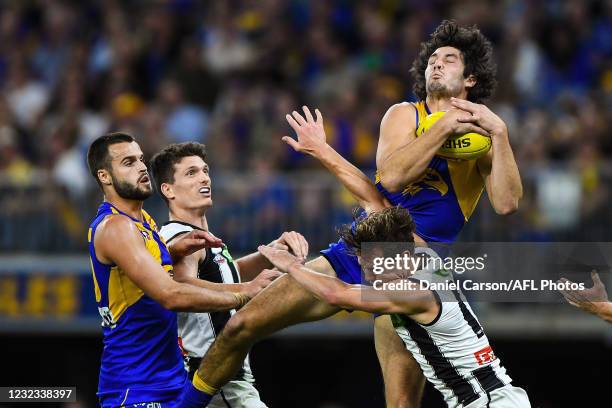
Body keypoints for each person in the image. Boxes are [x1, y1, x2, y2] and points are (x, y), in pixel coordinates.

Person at [185, 20, 522, 408]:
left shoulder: (484, 136)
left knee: (400, 404)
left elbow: (507, 203)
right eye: (432, 59)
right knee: (241, 326)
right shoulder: (403, 115)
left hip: (413, 270)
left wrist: (500, 135)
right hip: (357, 252)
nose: (436, 64)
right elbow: (391, 179)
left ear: (471, 78)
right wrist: (444, 126)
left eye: (449, 59)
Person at [257, 206, 531, 408]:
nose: (369, 275)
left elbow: (335, 294)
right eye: (364, 266)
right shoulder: (427, 260)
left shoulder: (415, 292)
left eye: (374, 265)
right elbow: (390, 217)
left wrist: (291, 266)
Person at [86, 133, 279, 407]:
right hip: (137, 388)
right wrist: (244, 293)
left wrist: (173, 251)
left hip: (171, 382)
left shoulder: (145, 224)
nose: (141, 168)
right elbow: (171, 295)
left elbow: (145, 272)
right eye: (128, 162)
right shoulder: (116, 227)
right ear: (105, 176)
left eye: (141, 159)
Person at [150, 142, 308, 407]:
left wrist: (268, 253)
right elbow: (182, 284)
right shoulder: (180, 237)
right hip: (216, 379)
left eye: (205, 170)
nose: (204, 177)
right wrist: (246, 289)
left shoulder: (198, 237)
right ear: (168, 190)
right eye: (191, 173)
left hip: (224, 379)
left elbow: (221, 273)